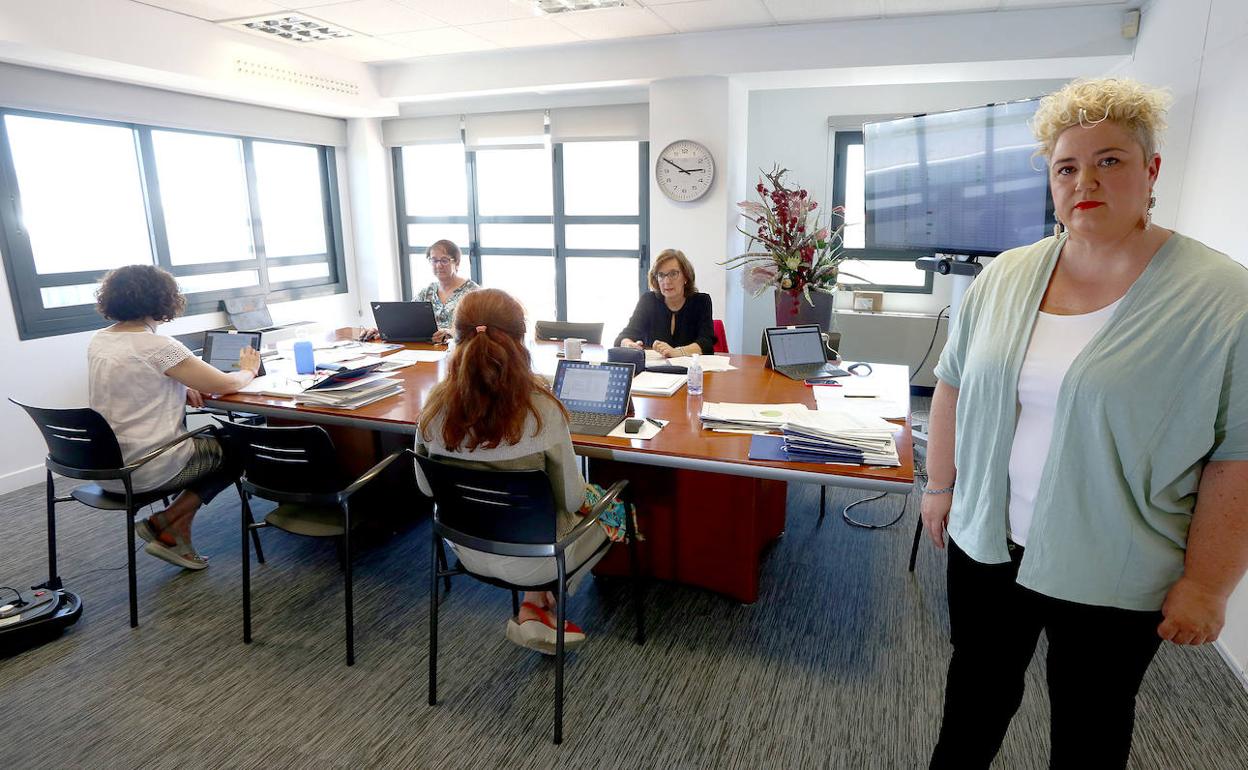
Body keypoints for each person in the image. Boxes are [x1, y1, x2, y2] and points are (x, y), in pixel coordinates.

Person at [922, 78, 1248, 769]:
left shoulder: (1224, 299)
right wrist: (939, 486)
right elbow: (951, 385)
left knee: (1090, 722)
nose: (1085, 181)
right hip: (987, 541)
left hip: (1117, 563)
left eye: (1110, 160)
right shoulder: (1006, 275)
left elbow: (1237, 455)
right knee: (974, 695)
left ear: (1150, 170)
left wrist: (1210, 583)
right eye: (1066, 167)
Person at [414, 288, 635, 654]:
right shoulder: (540, 410)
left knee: (536, 515)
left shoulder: (434, 405)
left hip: (466, 547)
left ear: (457, 337)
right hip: (537, 558)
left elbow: (425, 487)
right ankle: (538, 603)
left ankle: (535, 605)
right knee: (613, 505)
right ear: (520, 341)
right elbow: (573, 497)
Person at [88, 265, 261, 570]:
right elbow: (224, 384)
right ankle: (164, 520)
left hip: (106, 468)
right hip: (147, 468)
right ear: (164, 299)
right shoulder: (159, 347)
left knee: (223, 443)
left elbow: (132, 384)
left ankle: (174, 530)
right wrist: (248, 368)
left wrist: (179, 385)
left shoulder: (100, 341)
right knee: (240, 446)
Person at [615, 248, 715, 357]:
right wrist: (629, 345)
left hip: (689, 370)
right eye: (661, 275)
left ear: (686, 276)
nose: (666, 281)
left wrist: (677, 352)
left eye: (673, 274)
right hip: (653, 371)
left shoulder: (701, 301)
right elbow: (624, 337)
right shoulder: (648, 300)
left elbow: (706, 343)